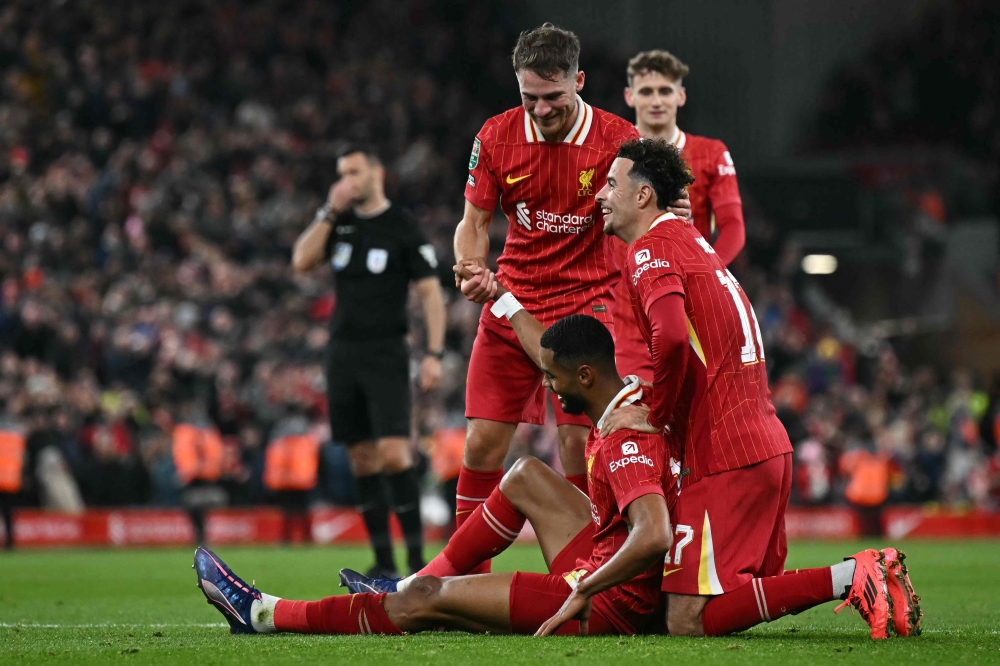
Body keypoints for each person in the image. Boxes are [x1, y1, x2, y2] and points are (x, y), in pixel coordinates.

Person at [595, 137, 921, 639]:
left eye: (612, 184)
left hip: (725, 454)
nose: (601, 193)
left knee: (685, 620)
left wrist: (654, 413)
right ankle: (872, 581)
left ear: (643, 197)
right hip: (765, 445)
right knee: (742, 596)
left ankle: (853, 575)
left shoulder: (650, 250)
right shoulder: (693, 243)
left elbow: (675, 337)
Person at [194, 315, 674, 637]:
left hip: (604, 600)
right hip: (609, 564)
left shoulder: (625, 440)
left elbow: (654, 534)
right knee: (526, 472)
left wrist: (585, 587)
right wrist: (502, 299)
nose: (546, 385)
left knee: (422, 601)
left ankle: (262, 613)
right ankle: (413, 581)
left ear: (586, 376)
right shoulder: (630, 402)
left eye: (553, 377)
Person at [447, 23, 689, 576]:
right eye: (529, 97)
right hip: (512, 299)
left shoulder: (616, 138)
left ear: (578, 81)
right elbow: (474, 222)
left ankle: (589, 567)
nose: (541, 108)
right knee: (482, 443)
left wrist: (678, 217)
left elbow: (660, 207)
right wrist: (469, 266)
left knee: (580, 445)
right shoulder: (496, 134)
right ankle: (460, 584)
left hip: (591, 305)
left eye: (553, 97)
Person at [292, 144, 446, 577]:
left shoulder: (401, 226)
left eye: (354, 172)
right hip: (343, 353)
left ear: (376, 172)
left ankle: (416, 560)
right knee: (361, 459)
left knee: (397, 455)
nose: (346, 181)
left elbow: (431, 292)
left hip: (387, 352)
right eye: (342, 174)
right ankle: (382, 560)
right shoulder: (338, 223)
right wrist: (328, 209)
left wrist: (433, 354)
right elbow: (301, 261)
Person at [607, 49, 748, 382]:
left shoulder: (711, 153)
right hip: (626, 316)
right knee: (637, 420)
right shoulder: (609, 153)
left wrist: (702, 272)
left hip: (691, 309)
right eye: (646, 91)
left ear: (681, 95)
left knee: (694, 424)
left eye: (665, 90)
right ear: (630, 96)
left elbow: (733, 230)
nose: (656, 100)